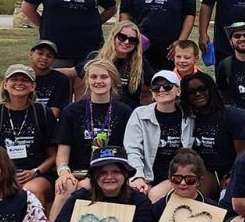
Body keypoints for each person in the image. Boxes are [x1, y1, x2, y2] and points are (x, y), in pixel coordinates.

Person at [54, 59, 133, 207]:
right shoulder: (71, 111)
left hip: (109, 173)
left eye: (104, 77)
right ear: (87, 81)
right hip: (76, 172)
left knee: (87, 186)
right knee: (65, 186)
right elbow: (63, 152)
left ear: (113, 81)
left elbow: (128, 150)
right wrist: (64, 172)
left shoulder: (125, 112)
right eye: (93, 77)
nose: (98, 81)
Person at [0, 64, 56, 206]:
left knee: (31, 191)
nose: (19, 83)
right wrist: (5, 175)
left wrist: (35, 172)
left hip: (38, 174)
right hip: (1, 175)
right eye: (14, 79)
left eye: (25, 80)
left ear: (32, 86)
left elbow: (54, 155)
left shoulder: (42, 113)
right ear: (5, 84)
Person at [123, 69, 195, 197]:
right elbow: (132, 149)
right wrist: (138, 176)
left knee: (155, 195)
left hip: (178, 176)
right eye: (156, 87)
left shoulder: (190, 116)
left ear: (178, 90)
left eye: (167, 86)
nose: (161, 90)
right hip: (147, 175)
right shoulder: (139, 114)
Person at [181, 71, 245, 192]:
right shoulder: (188, 119)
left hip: (230, 170)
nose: (198, 94)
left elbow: (242, 151)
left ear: (211, 89)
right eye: (191, 92)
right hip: (203, 172)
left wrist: (232, 175)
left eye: (202, 89)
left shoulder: (230, 114)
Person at [80, 20, 154, 109]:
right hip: (98, 108)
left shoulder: (140, 62)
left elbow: (155, 81)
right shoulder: (96, 57)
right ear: (113, 37)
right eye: (122, 37)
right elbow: (79, 72)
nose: (126, 42)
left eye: (132, 40)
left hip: (129, 112)